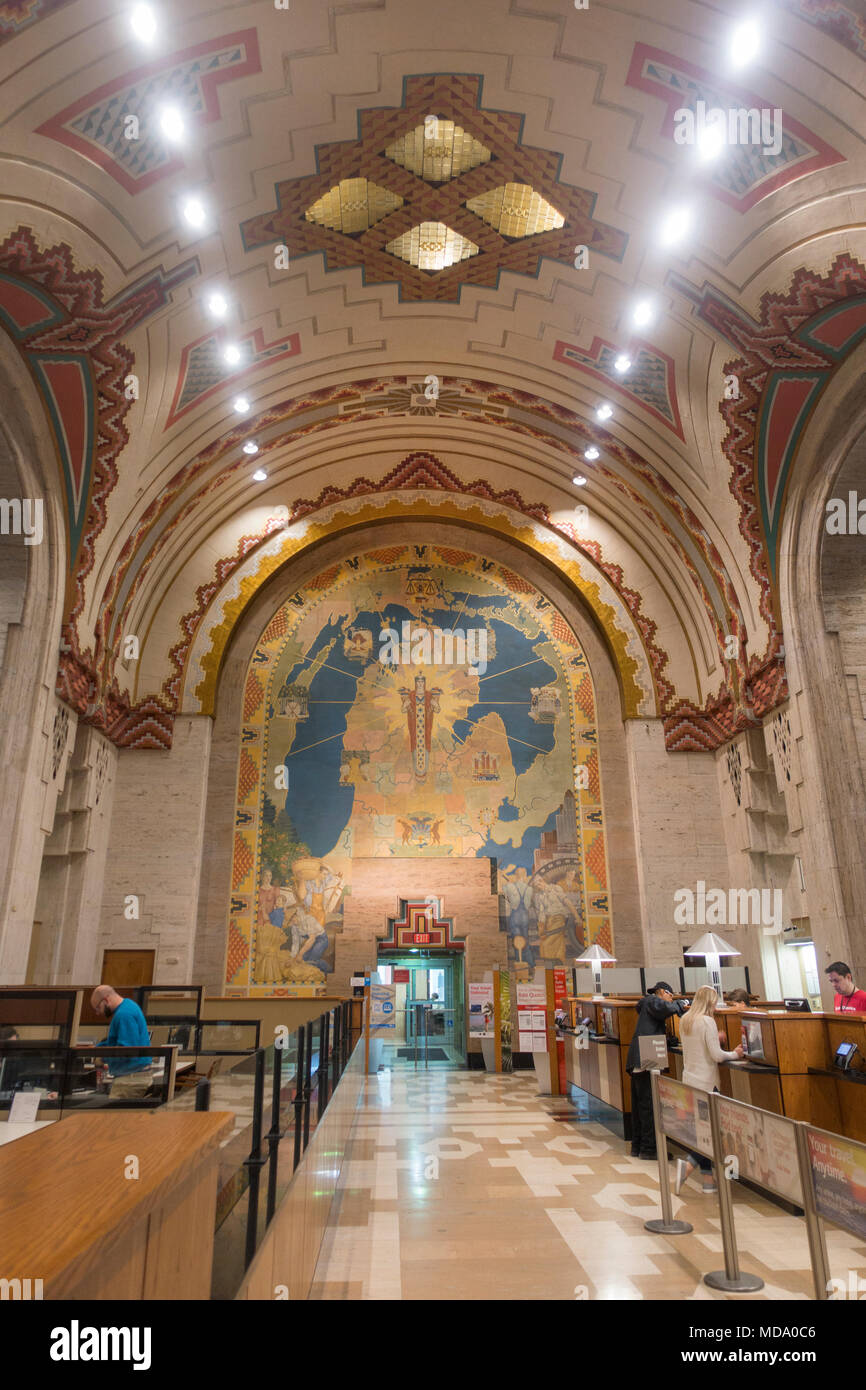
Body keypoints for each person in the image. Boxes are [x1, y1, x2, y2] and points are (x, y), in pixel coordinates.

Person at [674, 985, 743, 1195]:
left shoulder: (686, 1020)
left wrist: (717, 1039)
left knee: (702, 1131)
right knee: (711, 1132)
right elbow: (716, 1056)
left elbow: (699, 1047)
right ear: (710, 1002)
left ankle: (708, 1181)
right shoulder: (707, 1021)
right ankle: (687, 1166)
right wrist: (735, 1053)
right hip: (707, 1083)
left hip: (690, 1080)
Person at [626, 982, 689, 1160]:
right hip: (646, 1059)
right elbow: (665, 1008)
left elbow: (654, 1026)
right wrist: (682, 1004)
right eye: (670, 995)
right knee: (648, 1105)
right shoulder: (652, 1001)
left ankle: (638, 1146)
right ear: (662, 992)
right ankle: (649, 1148)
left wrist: (669, 1041)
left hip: (641, 1058)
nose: (671, 999)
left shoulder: (647, 1006)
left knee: (640, 1106)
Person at [90, 986, 153, 1099]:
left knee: (110, 1115)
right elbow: (115, 1043)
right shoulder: (128, 1005)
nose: (98, 1013)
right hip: (133, 1078)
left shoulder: (124, 1015)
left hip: (130, 1081)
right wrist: (97, 1048)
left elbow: (127, 1051)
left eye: (98, 1008)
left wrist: (103, 1057)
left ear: (106, 1000)